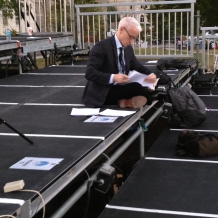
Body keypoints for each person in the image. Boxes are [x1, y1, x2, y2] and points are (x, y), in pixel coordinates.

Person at [82, 16, 165, 108]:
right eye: (131, 37)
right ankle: (151, 97)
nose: (131, 41)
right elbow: (90, 73)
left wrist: (150, 74)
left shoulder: (128, 48)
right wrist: (113, 77)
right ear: (121, 29)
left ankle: (128, 101)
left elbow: (136, 65)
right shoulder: (101, 47)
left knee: (157, 76)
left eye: (134, 38)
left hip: (122, 86)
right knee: (135, 87)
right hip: (104, 91)